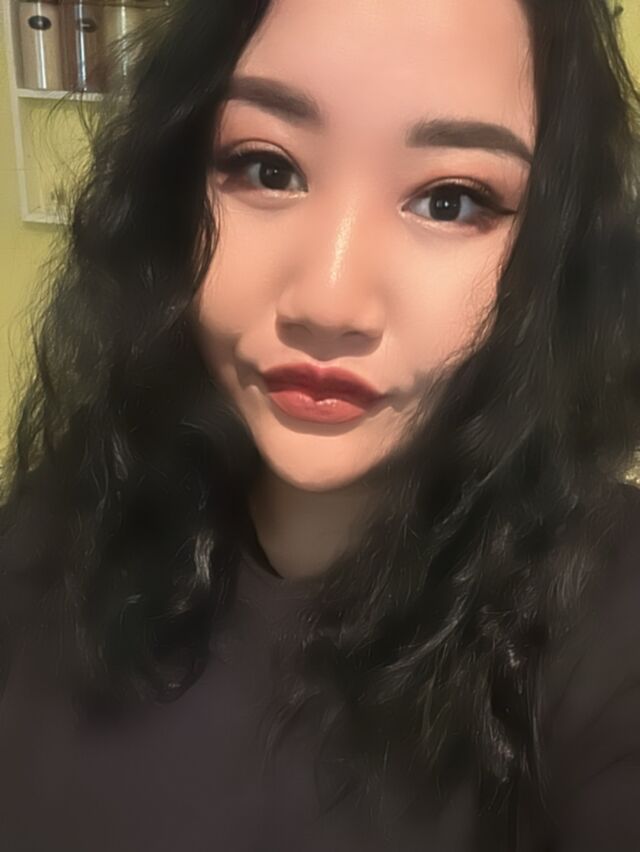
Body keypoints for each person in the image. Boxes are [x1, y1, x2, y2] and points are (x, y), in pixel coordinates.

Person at [0, 0, 639, 849]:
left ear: (551, 254)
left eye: (450, 201)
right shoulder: (53, 534)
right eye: (267, 169)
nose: (329, 303)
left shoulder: (608, 624)